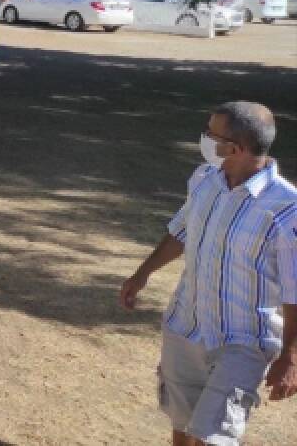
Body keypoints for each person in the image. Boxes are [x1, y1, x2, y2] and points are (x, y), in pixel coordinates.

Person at [119, 102, 297, 446]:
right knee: (183, 428)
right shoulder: (204, 179)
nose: (204, 139)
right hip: (185, 325)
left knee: (212, 437)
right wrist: (143, 273)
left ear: (236, 148)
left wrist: (291, 356)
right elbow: (181, 231)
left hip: (241, 341)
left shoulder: (287, 209)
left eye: (211, 134)